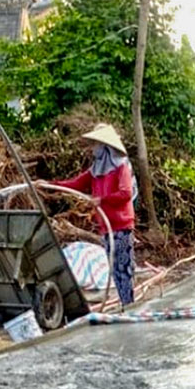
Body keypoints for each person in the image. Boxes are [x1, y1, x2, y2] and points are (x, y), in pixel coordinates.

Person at [52, 123, 136, 306]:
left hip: (121, 226)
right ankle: (125, 304)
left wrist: (102, 200)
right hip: (106, 227)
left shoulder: (121, 167)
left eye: (96, 145)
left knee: (124, 267)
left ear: (105, 146)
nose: (93, 149)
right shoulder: (97, 169)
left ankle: (129, 305)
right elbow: (76, 183)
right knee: (114, 269)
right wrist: (52, 184)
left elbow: (126, 193)